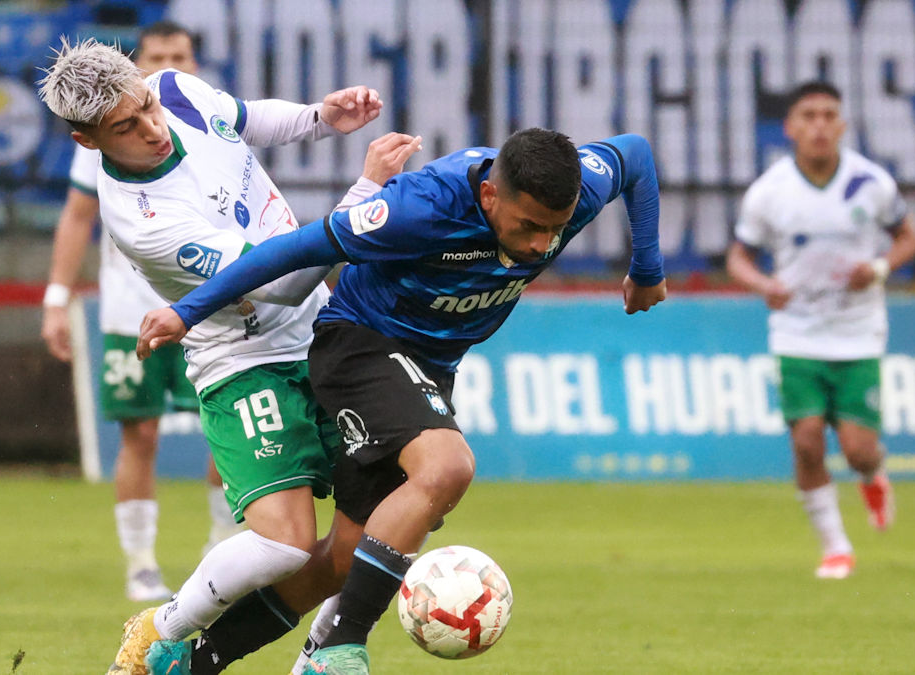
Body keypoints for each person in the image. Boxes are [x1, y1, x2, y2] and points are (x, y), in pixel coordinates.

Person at [137, 126, 668, 674]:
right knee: (447, 467)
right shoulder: (420, 208)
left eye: (554, 231)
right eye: (529, 226)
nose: (540, 245)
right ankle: (340, 647)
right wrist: (187, 310)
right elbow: (296, 249)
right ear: (490, 196)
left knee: (343, 560)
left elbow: (636, 152)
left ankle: (193, 662)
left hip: (430, 370)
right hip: (360, 345)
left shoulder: (580, 186)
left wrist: (646, 265)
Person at [36, 38, 414, 675]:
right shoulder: (143, 219)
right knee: (288, 544)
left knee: (390, 512)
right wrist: (365, 192)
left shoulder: (176, 89)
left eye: (148, 106)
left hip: (324, 333)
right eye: (127, 127)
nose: (154, 128)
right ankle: (163, 625)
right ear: (88, 141)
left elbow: (240, 118)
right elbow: (283, 281)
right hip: (246, 359)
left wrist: (319, 118)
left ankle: (324, 655)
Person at [40, 21, 241, 603]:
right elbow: (78, 216)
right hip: (132, 310)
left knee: (225, 428)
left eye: (179, 55)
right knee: (140, 434)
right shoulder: (111, 128)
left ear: (192, 62)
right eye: (157, 55)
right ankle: (140, 563)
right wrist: (57, 297)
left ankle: (220, 548)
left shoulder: (207, 121)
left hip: (211, 309)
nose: (168, 62)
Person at [727, 81, 915, 580]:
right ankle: (836, 546)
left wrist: (878, 269)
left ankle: (873, 476)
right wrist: (762, 283)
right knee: (808, 441)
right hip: (797, 332)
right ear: (790, 126)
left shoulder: (870, 182)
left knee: (858, 449)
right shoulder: (770, 192)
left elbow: (909, 235)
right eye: (808, 115)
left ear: (842, 125)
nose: (818, 125)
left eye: (828, 115)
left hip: (858, 331)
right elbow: (739, 256)